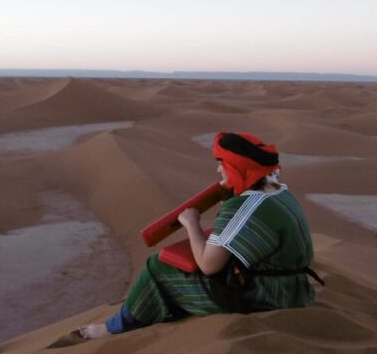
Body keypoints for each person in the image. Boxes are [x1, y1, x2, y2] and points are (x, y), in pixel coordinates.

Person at [78, 131, 322, 339]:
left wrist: (191, 223)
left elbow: (208, 265)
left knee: (157, 268)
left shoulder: (246, 206)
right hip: (296, 288)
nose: (218, 169)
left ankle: (114, 328)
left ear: (237, 168)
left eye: (222, 163)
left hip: (265, 298)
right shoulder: (279, 192)